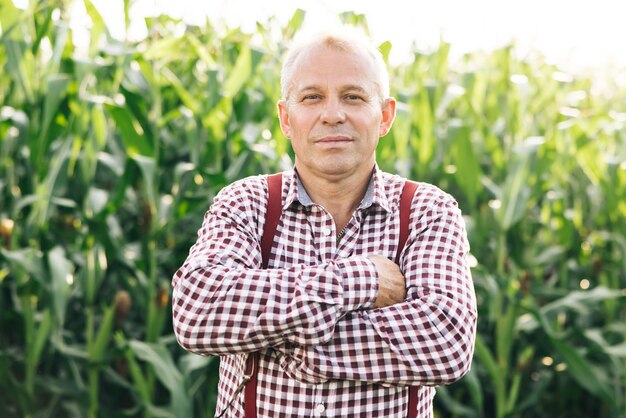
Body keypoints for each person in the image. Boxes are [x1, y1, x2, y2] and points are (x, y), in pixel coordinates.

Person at [172, 25, 477, 418]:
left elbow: (445, 342)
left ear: (384, 116)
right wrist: (362, 279)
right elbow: (199, 310)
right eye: (312, 97)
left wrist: (297, 348)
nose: (332, 115)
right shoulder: (247, 203)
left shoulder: (426, 211)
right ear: (285, 118)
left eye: (353, 97)